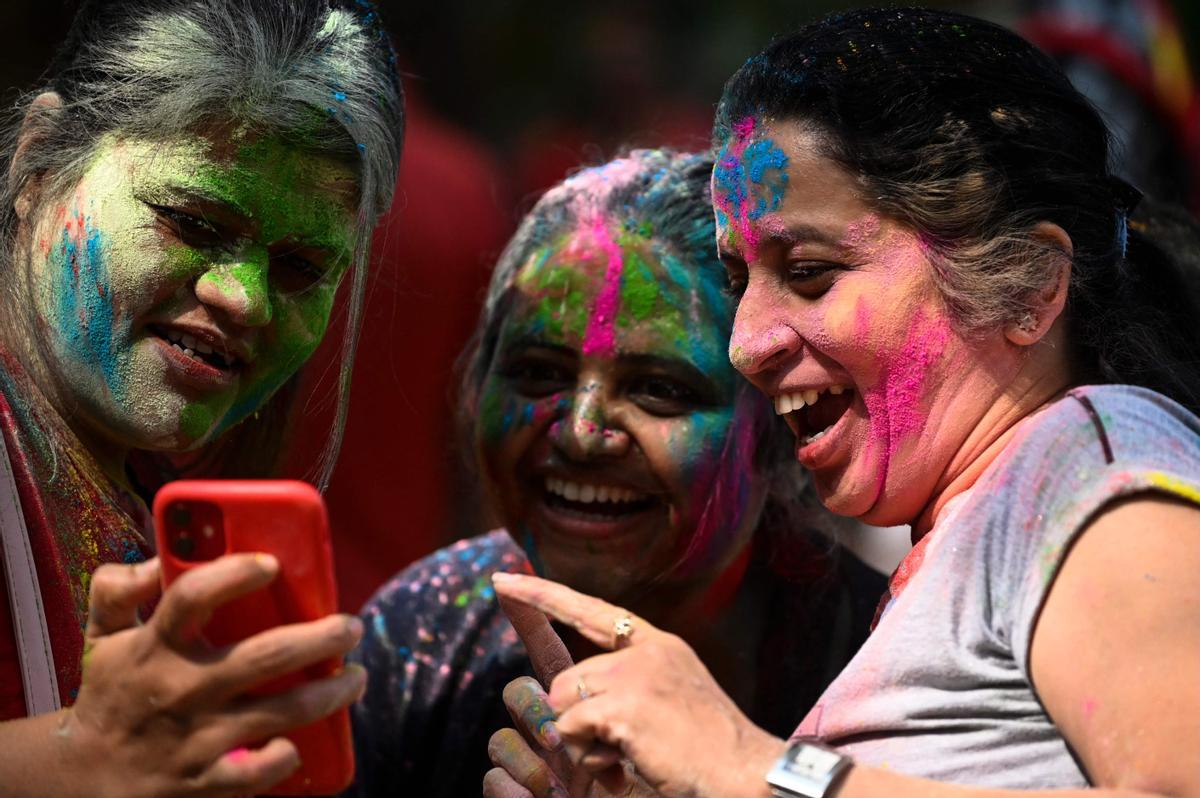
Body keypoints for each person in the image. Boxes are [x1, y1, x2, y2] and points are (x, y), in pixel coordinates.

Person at [490, 8, 1200, 798]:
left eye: (810, 273)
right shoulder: (978, 528)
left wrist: (744, 763)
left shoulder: (1083, 465)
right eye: (738, 281)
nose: (746, 344)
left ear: (1029, 286)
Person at [347, 150, 883, 798]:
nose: (580, 432)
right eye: (540, 372)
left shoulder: (885, 667)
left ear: (775, 432)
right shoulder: (425, 637)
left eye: (659, 388)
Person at [0, 1, 403, 795]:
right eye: (191, 221)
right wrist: (77, 759)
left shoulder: (154, 495)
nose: (244, 299)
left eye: (299, 269)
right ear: (40, 163)